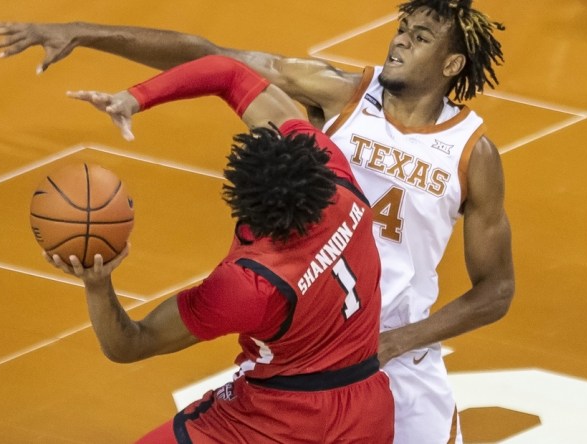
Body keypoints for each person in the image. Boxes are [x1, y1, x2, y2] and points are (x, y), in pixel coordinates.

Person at [0, 0, 515, 441]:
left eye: (420, 37)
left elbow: (496, 291)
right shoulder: (341, 93)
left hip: (392, 355)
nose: (398, 41)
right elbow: (215, 58)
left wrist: (402, 340)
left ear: (451, 66)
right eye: (401, 28)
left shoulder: (472, 154)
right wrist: (82, 33)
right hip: (305, 333)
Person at [49, 54, 394, 442]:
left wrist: (97, 283)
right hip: (367, 407)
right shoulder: (333, 175)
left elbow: (130, 343)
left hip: (281, 418)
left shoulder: (249, 284)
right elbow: (230, 75)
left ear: (245, 204)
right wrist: (136, 97)